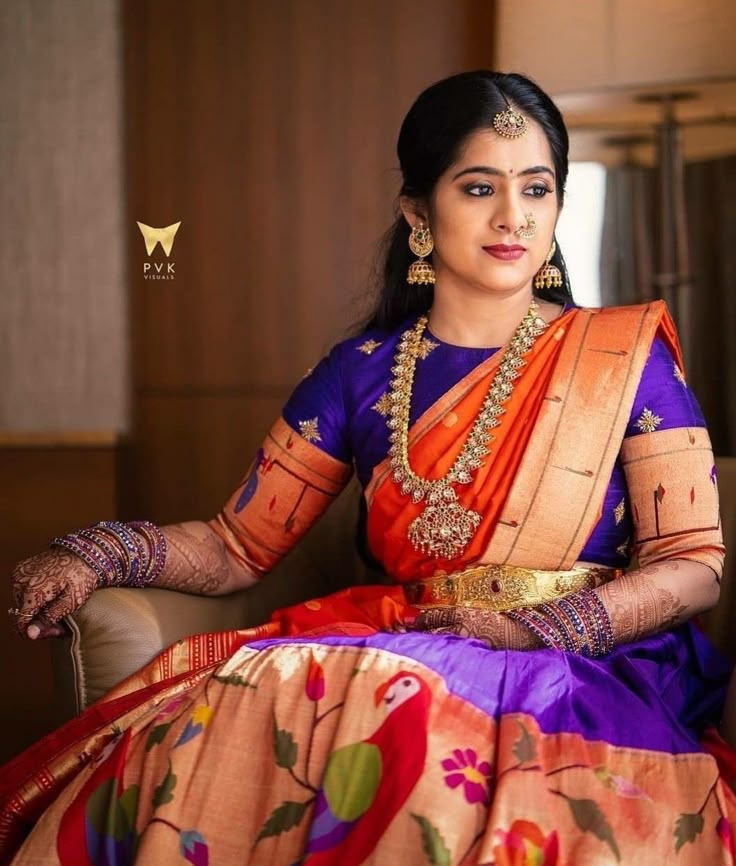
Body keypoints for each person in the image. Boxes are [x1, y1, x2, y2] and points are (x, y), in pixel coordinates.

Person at [1, 70, 733, 865]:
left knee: (405, 708)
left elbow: (694, 565)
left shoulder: (625, 358)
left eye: (537, 188)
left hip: (582, 661)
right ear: (418, 213)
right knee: (271, 695)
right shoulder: (359, 371)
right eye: (479, 186)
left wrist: (537, 629)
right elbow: (235, 546)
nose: (513, 216)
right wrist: (98, 551)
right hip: (416, 640)